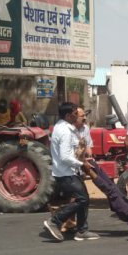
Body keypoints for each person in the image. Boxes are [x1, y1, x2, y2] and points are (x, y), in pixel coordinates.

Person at [42, 102, 99, 241]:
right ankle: (55, 221)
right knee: (82, 199)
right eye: (75, 114)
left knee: (84, 198)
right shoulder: (65, 131)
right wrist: (82, 164)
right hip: (66, 173)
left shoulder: (65, 128)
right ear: (68, 115)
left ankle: (82, 230)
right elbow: (65, 157)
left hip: (71, 171)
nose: (78, 116)